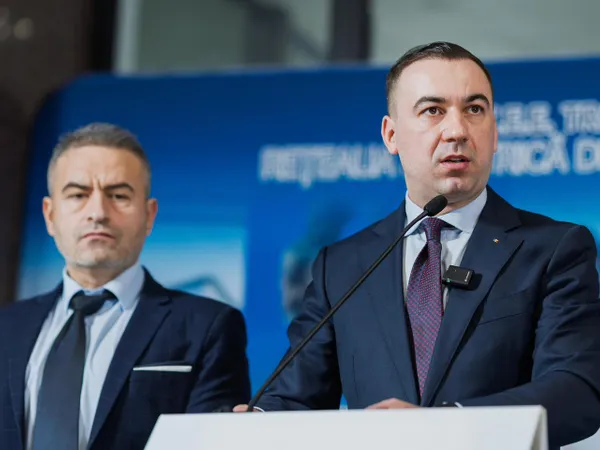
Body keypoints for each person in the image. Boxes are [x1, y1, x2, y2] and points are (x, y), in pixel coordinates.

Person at [234, 42, 600, 449]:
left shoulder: (554, 249)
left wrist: (444, 425)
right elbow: (296, 396)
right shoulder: (341, 265)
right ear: (391, 135)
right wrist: (255, 422)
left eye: (475, 109)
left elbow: (575, 391)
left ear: (495, 133)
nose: (457, 130)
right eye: (433, 110)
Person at [0, 123, 251, 450]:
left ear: (149, 215)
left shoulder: (207, 327)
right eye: (78, 195)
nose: (97, 213)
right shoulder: (7, 327)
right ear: (50, 215)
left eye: (118, 196)